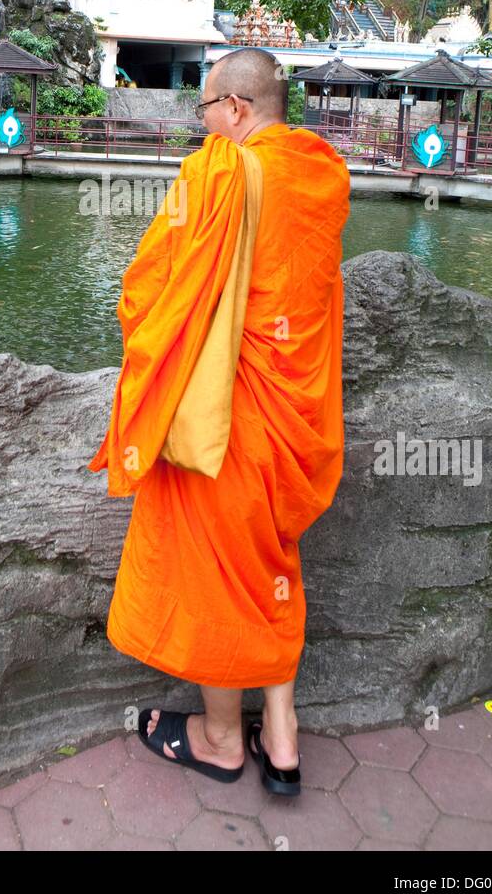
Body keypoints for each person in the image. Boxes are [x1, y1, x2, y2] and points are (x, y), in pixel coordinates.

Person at [87, 47, 350, 790]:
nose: (200, 125)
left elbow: (150, 288)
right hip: (295, 417)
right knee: (271, 563)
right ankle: (286, 737)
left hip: (229, 420)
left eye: (203, 109)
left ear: (234, 108)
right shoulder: (322, 172)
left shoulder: (218, 171)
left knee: (220, 574)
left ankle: (224, 739)